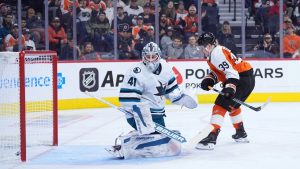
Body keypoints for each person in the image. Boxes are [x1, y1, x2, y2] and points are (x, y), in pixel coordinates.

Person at [107, 42, 197, 159]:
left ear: (158, 56)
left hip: (157, 115)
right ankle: (125, 147)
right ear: (143, 57)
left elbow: (171, 91)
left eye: (153, 57)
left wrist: (182, 99)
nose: (150, 60)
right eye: (147, 57)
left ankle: (134, 138)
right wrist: (140, 117)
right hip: (138, 115)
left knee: (161, 140)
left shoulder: (166, 67)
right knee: (157, 141)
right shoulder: (136, 71)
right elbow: (127, 99)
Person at [196, 32, 255, 150]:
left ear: (208, 45)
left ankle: (211, 137)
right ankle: (240, 133)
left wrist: (230, 88)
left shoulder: (217, 53)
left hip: (241, 79)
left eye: (201, 46)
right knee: (233, 105)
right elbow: (220, 72)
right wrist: (209, 80)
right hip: (246, 79)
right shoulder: (216, 52)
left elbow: (231, 73)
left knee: (220, 105)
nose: (200, 49)